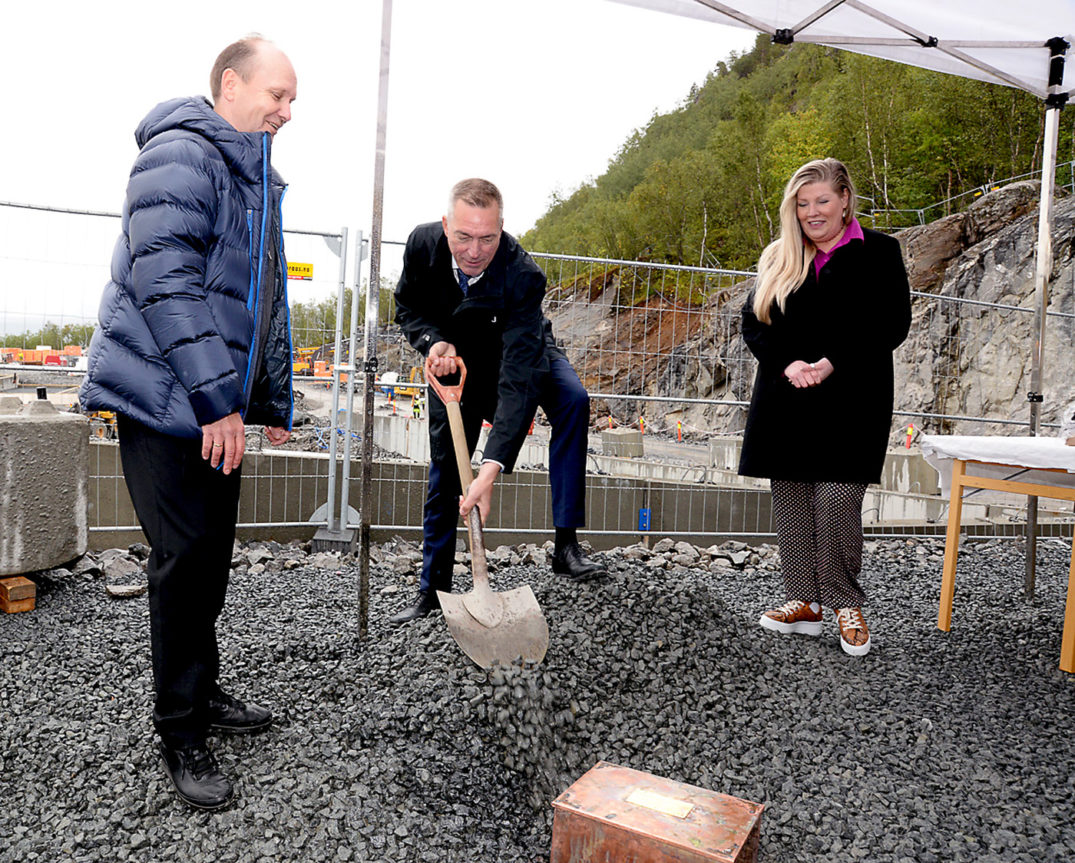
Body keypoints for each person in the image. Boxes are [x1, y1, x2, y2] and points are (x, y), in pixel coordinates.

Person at [79, 36, 297, 809]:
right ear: (230, 84)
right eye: (277, 94)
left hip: (209, 405)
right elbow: (165, 282)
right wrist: (218, 401)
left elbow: (254, 297)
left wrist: (265, 398)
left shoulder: (245, 173)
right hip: (166, 398)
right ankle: (179, 729)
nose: (286, 110)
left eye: (292, 99)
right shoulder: (181, 154)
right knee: (182, 564)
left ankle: (200, 691)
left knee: (208, 560)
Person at [390, 178, 605, 624]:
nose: (474, 250)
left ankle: (566, 545)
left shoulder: (523, 274)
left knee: (573, 400)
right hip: (457, 361)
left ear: (501, 229)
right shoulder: (422, 246)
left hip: (521, 349)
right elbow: (408, 306)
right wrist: (433, 341)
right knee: (447, 466)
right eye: (463, 237)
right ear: (445, 225)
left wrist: (490, 469)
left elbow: (518, 380)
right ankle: (433, 590)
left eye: (487, 238)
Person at [738, 158, 911, 657]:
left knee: (837, 500)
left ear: (845, 200)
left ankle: (845, 603)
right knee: (792, 500)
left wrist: (833, 361)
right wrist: (788, 363)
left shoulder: (880, 251)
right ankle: (804, 603)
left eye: (822, 201)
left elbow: (892, 324)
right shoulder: (779, 256)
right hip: (787, 395)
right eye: (802, 203)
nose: (812, 212)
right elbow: (753, 323)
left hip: (853, 399)